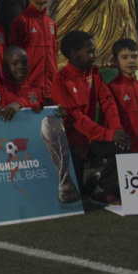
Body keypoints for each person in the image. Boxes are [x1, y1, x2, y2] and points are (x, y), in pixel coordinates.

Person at [51, 30, 127, 205]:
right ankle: (89, 184)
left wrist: (116, 129)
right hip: (71, 142)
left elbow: (108, 101)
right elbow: (75, 117)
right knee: (75, 200)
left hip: (93, 138)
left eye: (94, 50)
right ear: (74, 54)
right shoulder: (61, 79)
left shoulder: (94, 73)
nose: (95, 55)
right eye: (90, 51)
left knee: (123, 144)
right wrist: (108, 135)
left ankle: (102, 187)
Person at [0, 46, 80, 203]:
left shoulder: (37, 90)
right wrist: (21, 103)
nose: (20, 67)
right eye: (14, 63)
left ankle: (65, 188)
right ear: (4, 67)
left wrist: (59, 113)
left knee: (73, 151)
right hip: (9, 148)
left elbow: (47, 116)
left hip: (36, 144)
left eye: (24, 63)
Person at [9, 0, 57, 100]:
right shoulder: (21, 21)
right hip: (29, 89)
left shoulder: (51, 23)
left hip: (51, 89)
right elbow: (13, 57)